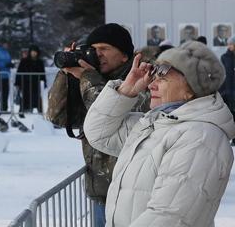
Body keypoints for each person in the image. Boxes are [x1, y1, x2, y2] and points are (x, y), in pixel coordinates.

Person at [83, 41, 234, 226]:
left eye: (162, 77)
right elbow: (99, 133)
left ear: (191, 89)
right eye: (153, 76)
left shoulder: (201, 137)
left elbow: (169, 217)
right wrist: (125, 92)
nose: (151, 85)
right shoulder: (156, 124)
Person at [46, 23, 150, 227]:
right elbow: (57, 116)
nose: (97, 54)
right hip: (100, 192)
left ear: (124, 55)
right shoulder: (92, 80)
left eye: (104, 48)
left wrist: (87, 77)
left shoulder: (141, 79)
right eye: (93, 49)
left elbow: (108, 115)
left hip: (133, 194)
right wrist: (66, 74)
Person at [14, 45, 46, 114]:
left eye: (35, 52)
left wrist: (44, 82)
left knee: (36, 97)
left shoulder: (40, 62)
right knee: (25, 97)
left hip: (36, 83)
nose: (34, 53)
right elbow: (19, 72)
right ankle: (23, 111)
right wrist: (17, 83)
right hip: (26, 83)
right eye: (32, 52)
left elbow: (42, 73)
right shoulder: (24, 61)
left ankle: (39, 111)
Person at [219, 36, 235, 146]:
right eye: (228, 44)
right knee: (230, 115)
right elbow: (222, 74)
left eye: (231, 44)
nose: (229, 46)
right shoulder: (224, 57)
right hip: (228, 90)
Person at [0, 41, 13, 112]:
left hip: (6, 76)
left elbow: (8, 61)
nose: (7, 45)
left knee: (5, 93)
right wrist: (5, 65)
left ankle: (4, 108)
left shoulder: (6, 52)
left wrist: (11, 64)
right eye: (5, 44)